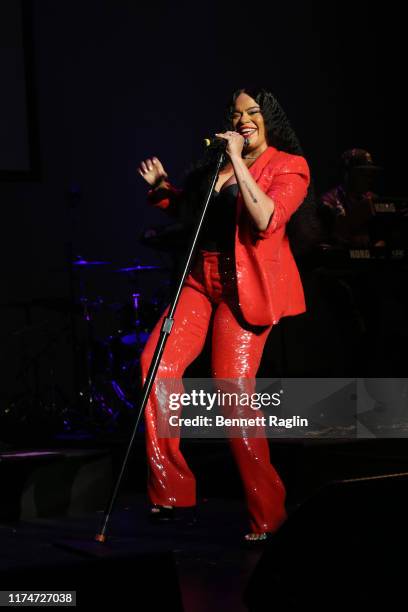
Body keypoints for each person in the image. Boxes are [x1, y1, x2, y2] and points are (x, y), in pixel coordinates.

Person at [137, 88, 314, 542]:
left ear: (269, 119)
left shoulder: (288, 166)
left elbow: (264, 219)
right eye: (237, 114)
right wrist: (163, 190)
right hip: (201, 281)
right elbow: (194, 212)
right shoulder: (216, 166)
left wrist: (237, 160)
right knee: (156, 367)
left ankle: (268, 512)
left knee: (233, 395)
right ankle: (171, 488)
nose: (243, 119)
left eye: (253, 112)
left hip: (246, 288)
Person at [319, 148, 384, 248]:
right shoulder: (328, 201)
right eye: (362, 173)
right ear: (347, 173)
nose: (369, 179)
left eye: (370, 174)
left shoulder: (374, 200)